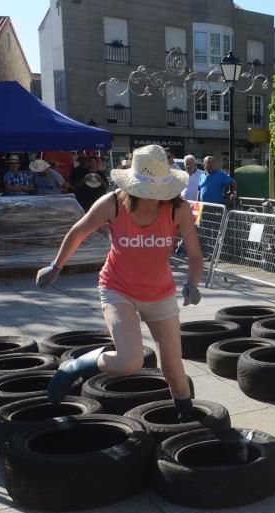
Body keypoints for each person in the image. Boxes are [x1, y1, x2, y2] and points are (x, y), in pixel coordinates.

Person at [35, 144, 204, 422]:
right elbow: (79, 231)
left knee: (174, 369)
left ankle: (187, 422)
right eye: (149, 192)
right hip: (118, 289)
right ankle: (75, 366)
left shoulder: (178, 209)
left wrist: (193, 283)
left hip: (160, 294)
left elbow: (196, 255)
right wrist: (56, 266)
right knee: (129, 362)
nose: (154, 199)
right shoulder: (113, 203)